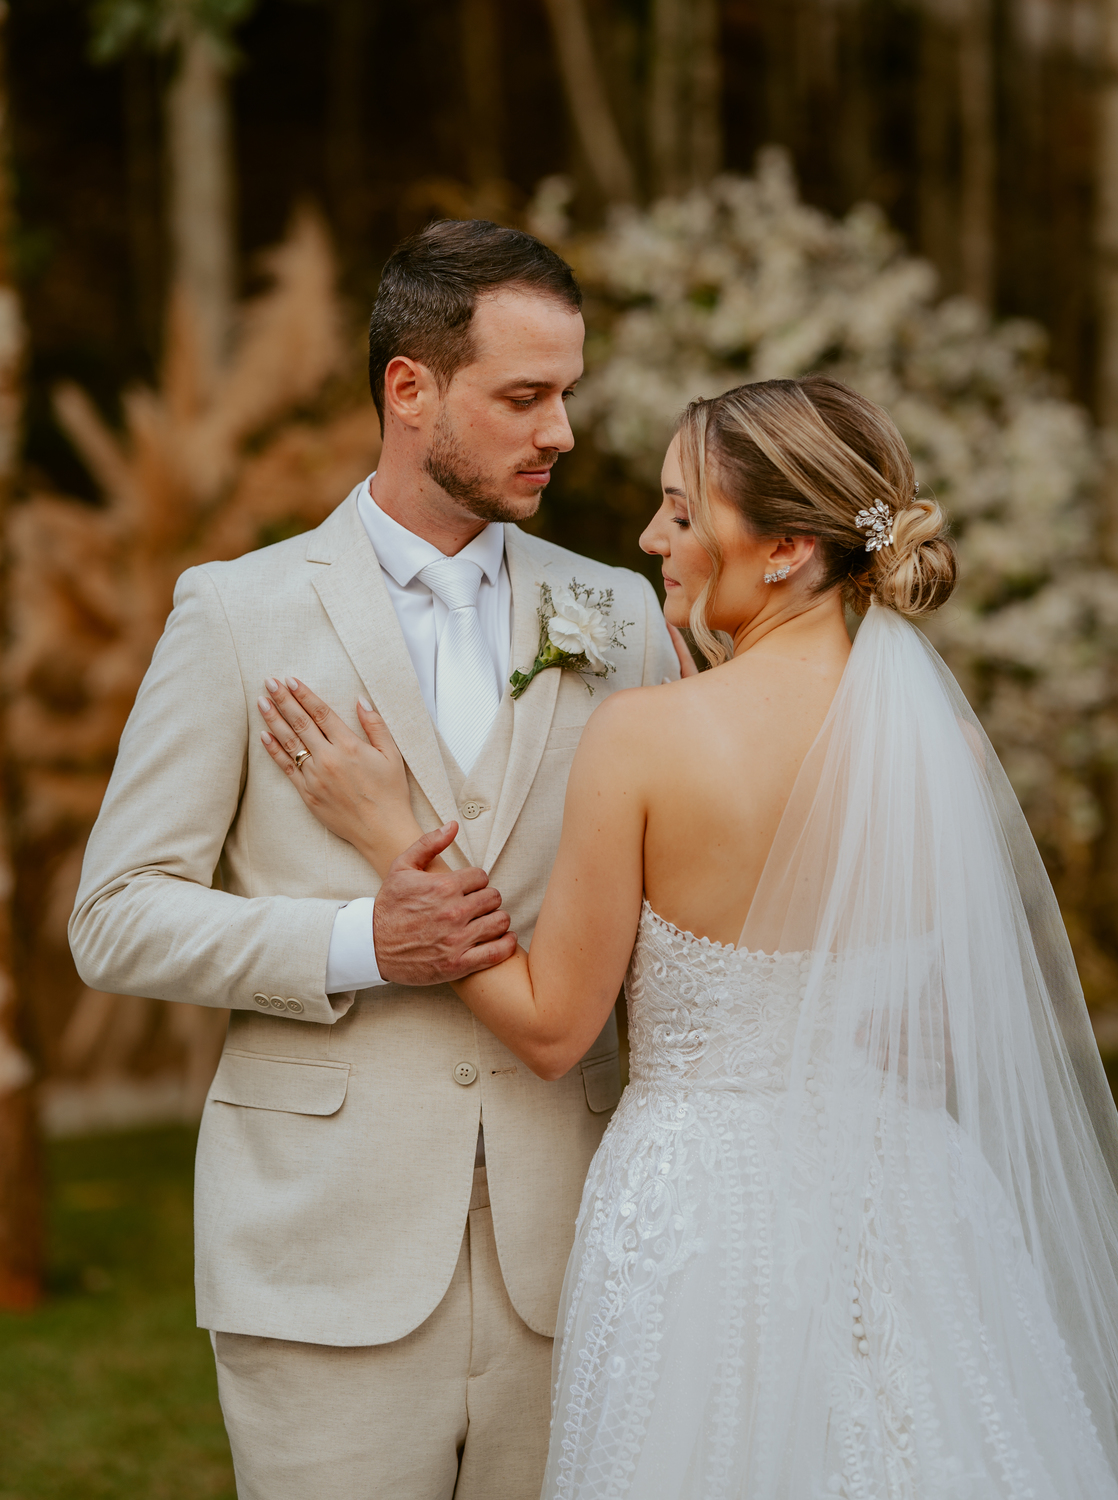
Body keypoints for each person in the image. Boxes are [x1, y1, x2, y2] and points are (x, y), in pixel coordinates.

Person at [258, 374, 1118, 1498]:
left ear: (790, 549)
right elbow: (933, 1028)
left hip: (702, 1215)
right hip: (910, 1198)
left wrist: (392, 833)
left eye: (685, 513)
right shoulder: (938, 736)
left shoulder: (648, 737)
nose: (654, 535)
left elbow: (554, 1027)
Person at [68, 219, 680, 1499]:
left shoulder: (620, 613)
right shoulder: (236, 613)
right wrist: (360, 942)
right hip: (318, 1257)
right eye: (524, 396)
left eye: (568, 392)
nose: (560, 430)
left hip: (569, 1257)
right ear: (411, 389)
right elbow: (116, 916)